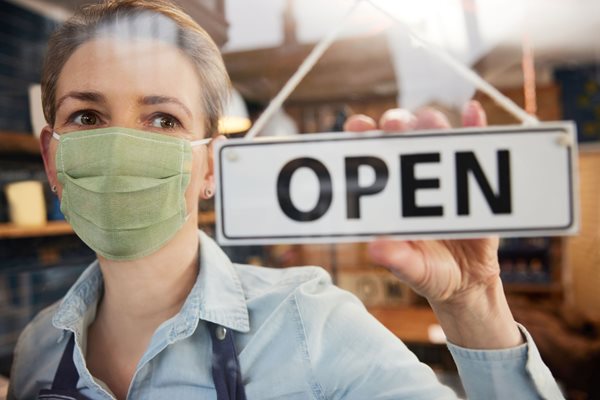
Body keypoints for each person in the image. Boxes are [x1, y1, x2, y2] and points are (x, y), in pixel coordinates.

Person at [8, 1, 563, 399]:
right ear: (53, 157)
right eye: (87, 117)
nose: (124, 145)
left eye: (163, 119)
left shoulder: (312, 325)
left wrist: (473, 301)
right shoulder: (36, 350)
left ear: (211, 164)